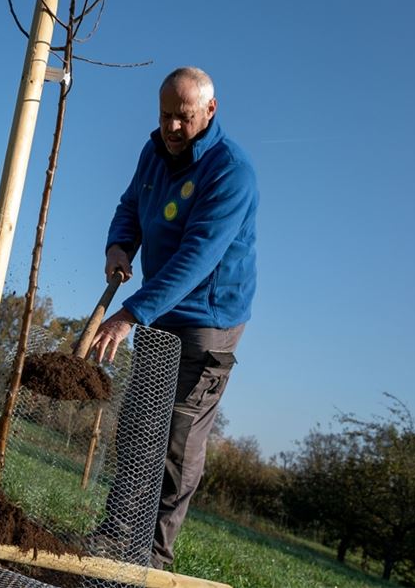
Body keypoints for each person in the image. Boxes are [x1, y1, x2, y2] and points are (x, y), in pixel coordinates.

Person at [89, 66, 258, 569]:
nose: (172, 128)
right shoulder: (154, 152)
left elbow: (198, 256)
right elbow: (131, 205)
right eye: (165, 115)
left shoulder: (231, 171)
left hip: (207, 318)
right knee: (139, 425)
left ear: (210, 111)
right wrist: (120, 244)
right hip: (161, 310)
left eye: (183, 118)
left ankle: (150, 561)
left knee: (176, 441)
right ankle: (116, 539)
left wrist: (130, 314)